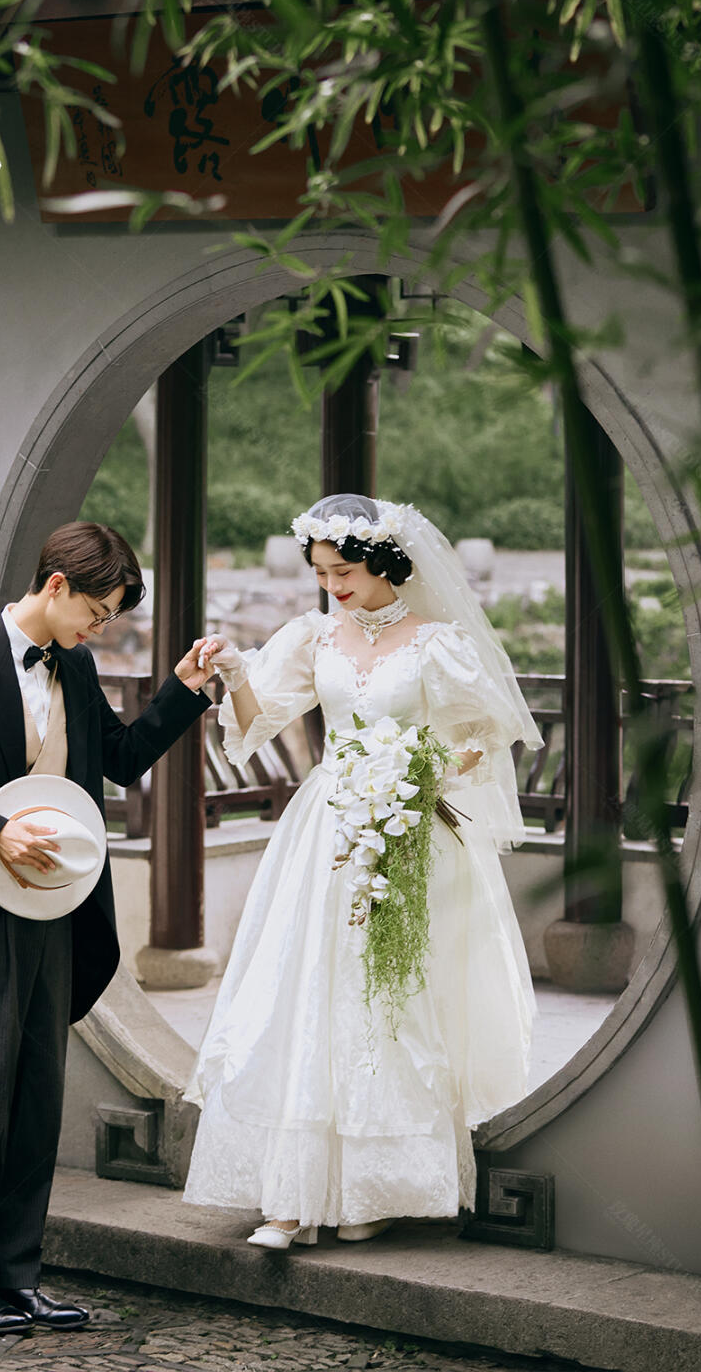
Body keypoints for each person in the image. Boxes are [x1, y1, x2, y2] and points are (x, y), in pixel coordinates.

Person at [0, 521, 216, 1332]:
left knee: (37, 1097)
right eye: (98, 613)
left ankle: (20, 1275)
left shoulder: (77, 665)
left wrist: (183, 691)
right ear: (57, 585)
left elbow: (119, 759)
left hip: (56, 911)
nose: (101, 629)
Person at [183, 495, 542, 1249]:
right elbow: (255, 723)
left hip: (409, 825)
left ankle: (372, 1192)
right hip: (326, 831)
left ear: (383, 562)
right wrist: (237, 673)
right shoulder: (315, 635)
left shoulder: (438, 642)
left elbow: (487, 733)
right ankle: (291, 1195)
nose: (332, 585)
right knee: (309, 990)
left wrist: (423, 770)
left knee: (393, 1001)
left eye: (343, 570)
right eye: (320, 572)